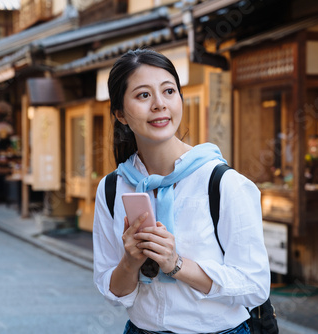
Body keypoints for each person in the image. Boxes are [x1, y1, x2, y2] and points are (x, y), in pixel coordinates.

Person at [92, 49, 271, 334]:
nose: (160, 104)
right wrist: (130, 261)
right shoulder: (113, 187)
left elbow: (255, 287)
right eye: (143, 95)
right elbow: (113, 292)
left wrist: (176, 264)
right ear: (120, 114)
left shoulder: (223, 183)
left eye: (169, 91)